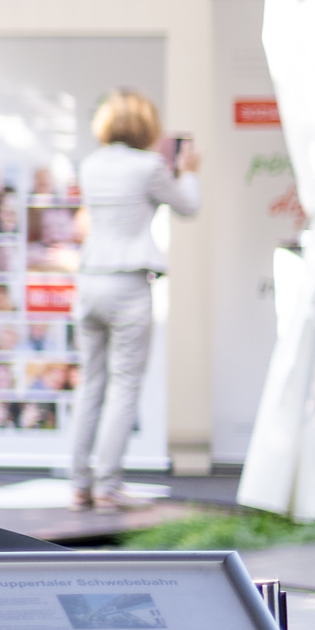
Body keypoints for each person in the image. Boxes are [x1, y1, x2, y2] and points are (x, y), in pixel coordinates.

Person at [70, 86, 199, 509]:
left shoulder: (90, 165)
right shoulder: (149, 167)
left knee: (91, 383)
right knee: (124, 384)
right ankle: (108, 485)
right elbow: (188, 206)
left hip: (90, 279)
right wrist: (189, 171)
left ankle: (79, 484)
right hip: (127, 283)